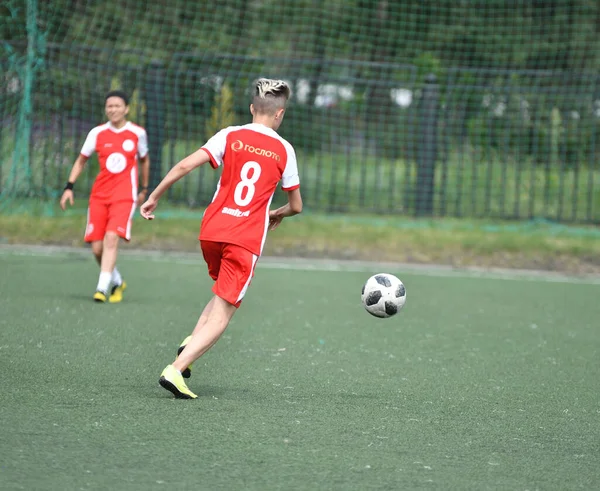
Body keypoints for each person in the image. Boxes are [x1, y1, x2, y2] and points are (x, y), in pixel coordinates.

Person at [140, 78, 302, 399]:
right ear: (279, 114)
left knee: (220, 293)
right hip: (245, 238)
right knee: (225, 313)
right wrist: (277, 213)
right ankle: (176, 369)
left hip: (212, 231)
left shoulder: (230, 134)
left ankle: (190, 342)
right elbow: (296, 205)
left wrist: (154, 196)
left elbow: (186, 164)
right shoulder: (284, 149)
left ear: (252, 108)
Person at [60, 90, 150, 303]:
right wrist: (69, 187)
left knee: (111, 238)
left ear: (126, 108)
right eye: (109, 106)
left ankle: (101, 289)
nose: (113, 109)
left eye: (117, 106)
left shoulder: (138, 133)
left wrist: (144, 189)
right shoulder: (97, 133)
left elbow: (144, 160)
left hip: (124, 196)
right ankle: (117, 281)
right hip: (99, 195)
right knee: (97, 248)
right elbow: (81, 160)